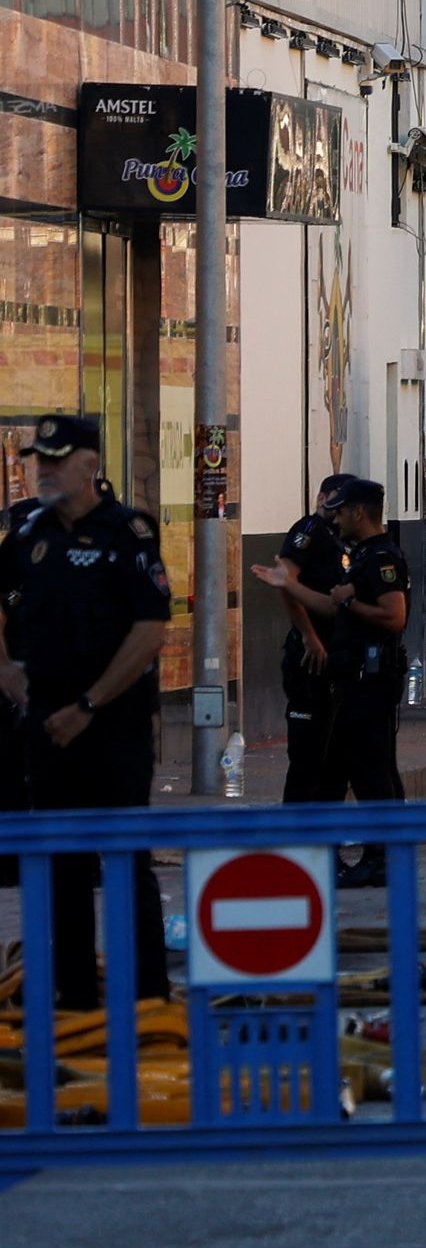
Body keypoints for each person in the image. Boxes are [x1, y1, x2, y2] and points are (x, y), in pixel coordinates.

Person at [0, 416, 171, 1006]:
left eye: (55, 459)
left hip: (112, 721)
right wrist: (6, 670)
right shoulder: (27, 533)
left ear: (90, 465)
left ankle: (147, 999)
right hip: (46, 721)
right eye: (37, 459)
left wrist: (89, 704)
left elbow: (150, 630)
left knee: (125, 860)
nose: (42, 469)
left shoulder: (128, 533)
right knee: (60, 865)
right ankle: (74, 1000)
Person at [247, 476, 407, 879]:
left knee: (371, 769)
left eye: (341, 510)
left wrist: (349, 602)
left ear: (357, 512)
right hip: (347, 675)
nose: (335, 518)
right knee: (329, 763)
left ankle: (381, 858)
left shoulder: (380, 556)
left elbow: (392, 617)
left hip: (370, 676)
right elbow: (334, 607)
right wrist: (290, 585)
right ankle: (319, 852)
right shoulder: (358, 551)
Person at [268, 471, 356, 806]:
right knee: (307, 758)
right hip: (311, 657)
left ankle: (326, 850)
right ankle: (297, 845)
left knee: (336, 760)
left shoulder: (344, 537)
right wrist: (308, 635)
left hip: (339, 654)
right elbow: (285, 581)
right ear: (323, 499)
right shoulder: (309, 531)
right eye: (336, 502)